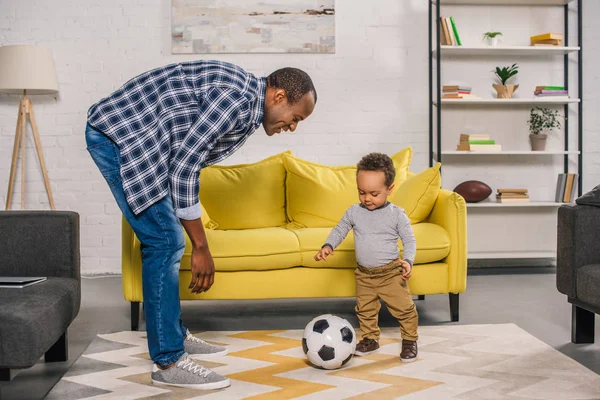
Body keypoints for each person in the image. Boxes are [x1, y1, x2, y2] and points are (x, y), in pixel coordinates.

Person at [85, 60, 316, 390]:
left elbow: (185, 153)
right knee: (165, 241)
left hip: (146, 140)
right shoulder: (236, 101)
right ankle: (169, 361)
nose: (292, 127)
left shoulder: (248, 103)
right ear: (278, 96)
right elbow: (184, 168)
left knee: (168, 239)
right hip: (120, 135)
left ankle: (173, 335)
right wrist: (202, 247)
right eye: (295, 118)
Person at [314, 153, 419, 362]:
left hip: (390, 274)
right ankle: (371, 339)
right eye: (361, 192)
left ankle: (409, 340)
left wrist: (408, 260)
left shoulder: (397, 214)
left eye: (373, 193)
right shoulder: (355, 211)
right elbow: (340, 229)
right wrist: (328, 245)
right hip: (364, 275)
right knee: (365, 310)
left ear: (390, 189)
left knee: (404, 309)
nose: (367, 198)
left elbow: (409, 240)